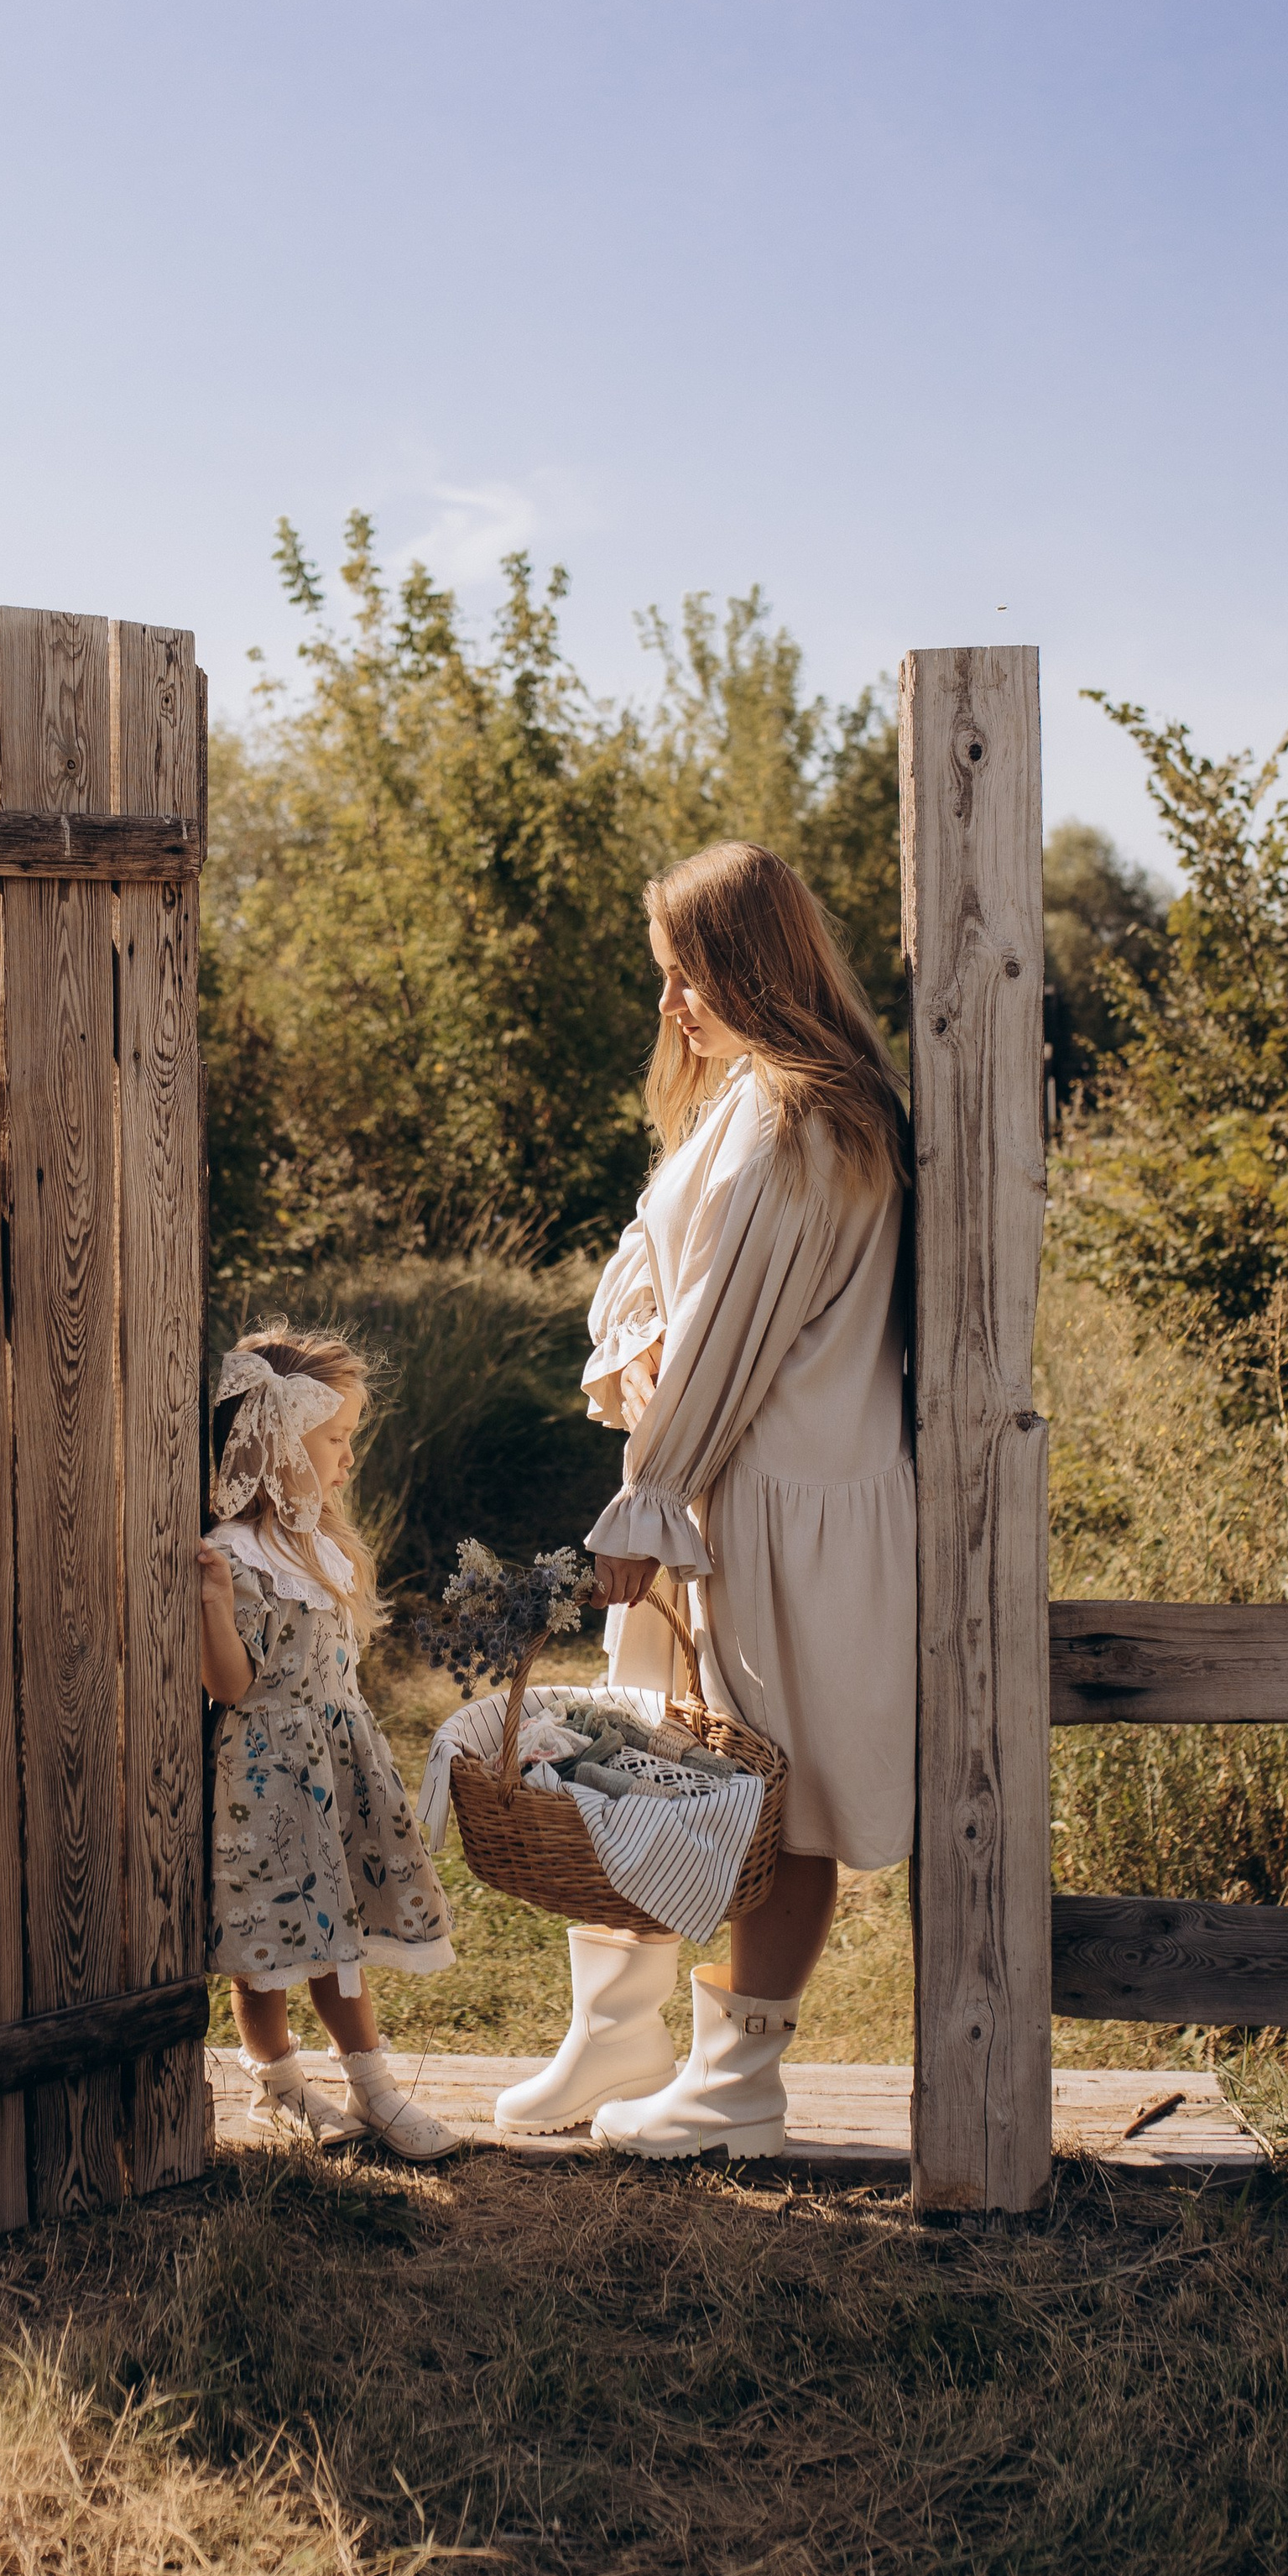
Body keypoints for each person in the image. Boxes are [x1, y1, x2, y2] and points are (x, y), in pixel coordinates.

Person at [493, 841, 915, 2160]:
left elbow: (730, 1330)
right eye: (664, 979)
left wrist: (651, 1493)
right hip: (718, 1487)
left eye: (686, 976)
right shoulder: (739, 1103)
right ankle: (616, 2029)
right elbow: (648, 1252)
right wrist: (632, 1345)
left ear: (748, 964)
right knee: (649, 1763)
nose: (671, 1005)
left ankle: (740, 2079)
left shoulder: (811, 1122)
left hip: (783, 1503)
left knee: (775, 1794)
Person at [198, 1325, 462, 2160]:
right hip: (269, 1779)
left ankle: (372, 2085)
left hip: (337, 1768)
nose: (348, 1458)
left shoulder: (319, 1546)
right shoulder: (232, 1553)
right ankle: (276, 2083)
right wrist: (208, 1599)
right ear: (275, 1444)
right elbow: (232, 1685)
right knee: (271, 1947)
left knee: (339, 1942)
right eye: (336, 1438)